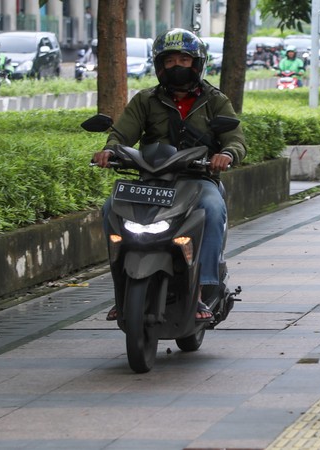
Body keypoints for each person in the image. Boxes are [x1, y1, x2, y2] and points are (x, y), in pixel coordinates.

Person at [92, 28, 247, 321]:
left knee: (213, 209)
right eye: (170, 61)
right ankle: (121, 289)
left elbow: (236, 140)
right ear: (160, 65)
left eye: (184, 60)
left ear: (196, 64)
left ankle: (202, 289)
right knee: (111, 207)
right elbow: (121, 135)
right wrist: (109, 151)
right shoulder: (145, 100)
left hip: (197, 181)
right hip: (151, 181)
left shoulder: (215, 100)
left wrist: (226, 155)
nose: (177, 66)